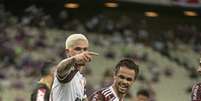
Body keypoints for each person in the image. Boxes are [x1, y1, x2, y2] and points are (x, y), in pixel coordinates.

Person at [50, 34, 98, 101]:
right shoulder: (67, 73)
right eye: (78, 49)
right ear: (67, 52)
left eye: (85, 49)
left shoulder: (80, 78)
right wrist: (75, 58)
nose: (82, 53)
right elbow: (60, 69)